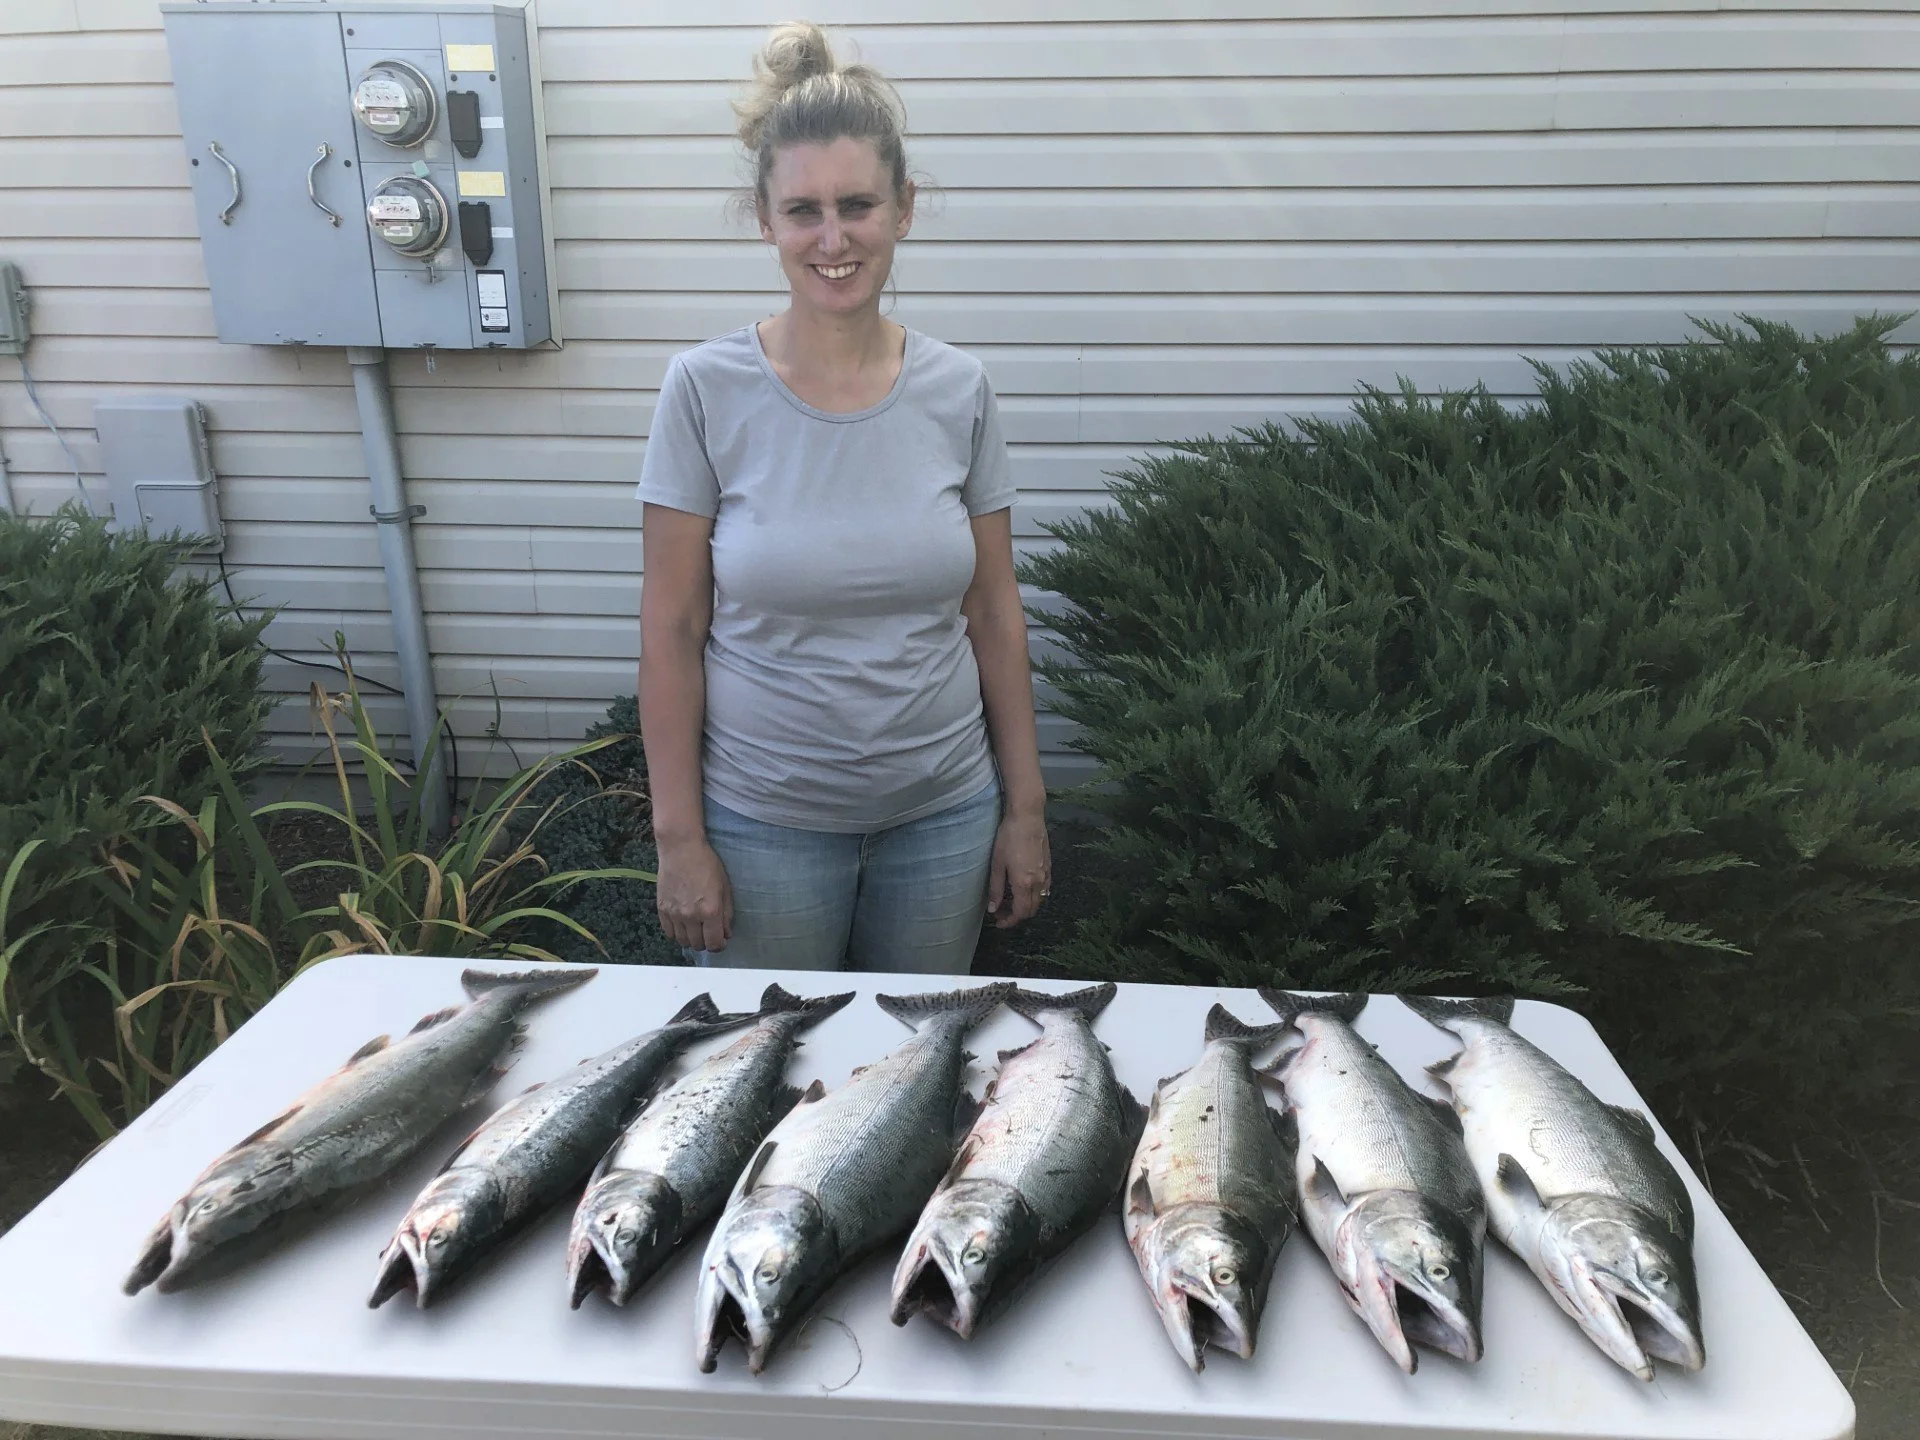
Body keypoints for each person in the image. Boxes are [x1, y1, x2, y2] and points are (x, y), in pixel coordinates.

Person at [636, 21, 1050, 973]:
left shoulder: (960, 389)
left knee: (909, 1072)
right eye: (804, 211)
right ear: (764, 218)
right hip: (763, 828)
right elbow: (671, 628)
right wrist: (679, 840)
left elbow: (993, 611)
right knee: (764, 1081)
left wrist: (1024, 810)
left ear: (904, 209)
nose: (833, 239)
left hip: (942, 821)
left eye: (857, 205)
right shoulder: (703, 392)